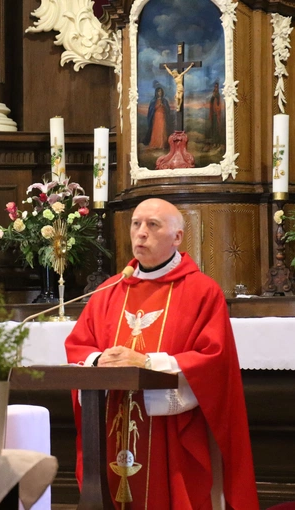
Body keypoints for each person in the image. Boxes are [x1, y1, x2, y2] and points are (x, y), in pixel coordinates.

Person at [65, 198, 258, 509]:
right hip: (113, 423)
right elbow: (80, 345)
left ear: (177, 237)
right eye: (136, 224)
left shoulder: (201, 292)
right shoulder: (109, 291)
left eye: (152, 225)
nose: (141, 233)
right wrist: (99, 361)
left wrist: (147, 364)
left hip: (171, 435)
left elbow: (214, 360)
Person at [206, 82, 225, 149]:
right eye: (215, 86)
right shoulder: (213, 95)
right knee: (213, 129)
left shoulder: (217, 95)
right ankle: (214, 143)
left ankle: (217, 143)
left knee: (217, 129)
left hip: (216, 115)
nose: (215, 87)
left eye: (216, 86)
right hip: (214, 115)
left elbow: (218, 105)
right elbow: (211, 104)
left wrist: (217, 113)